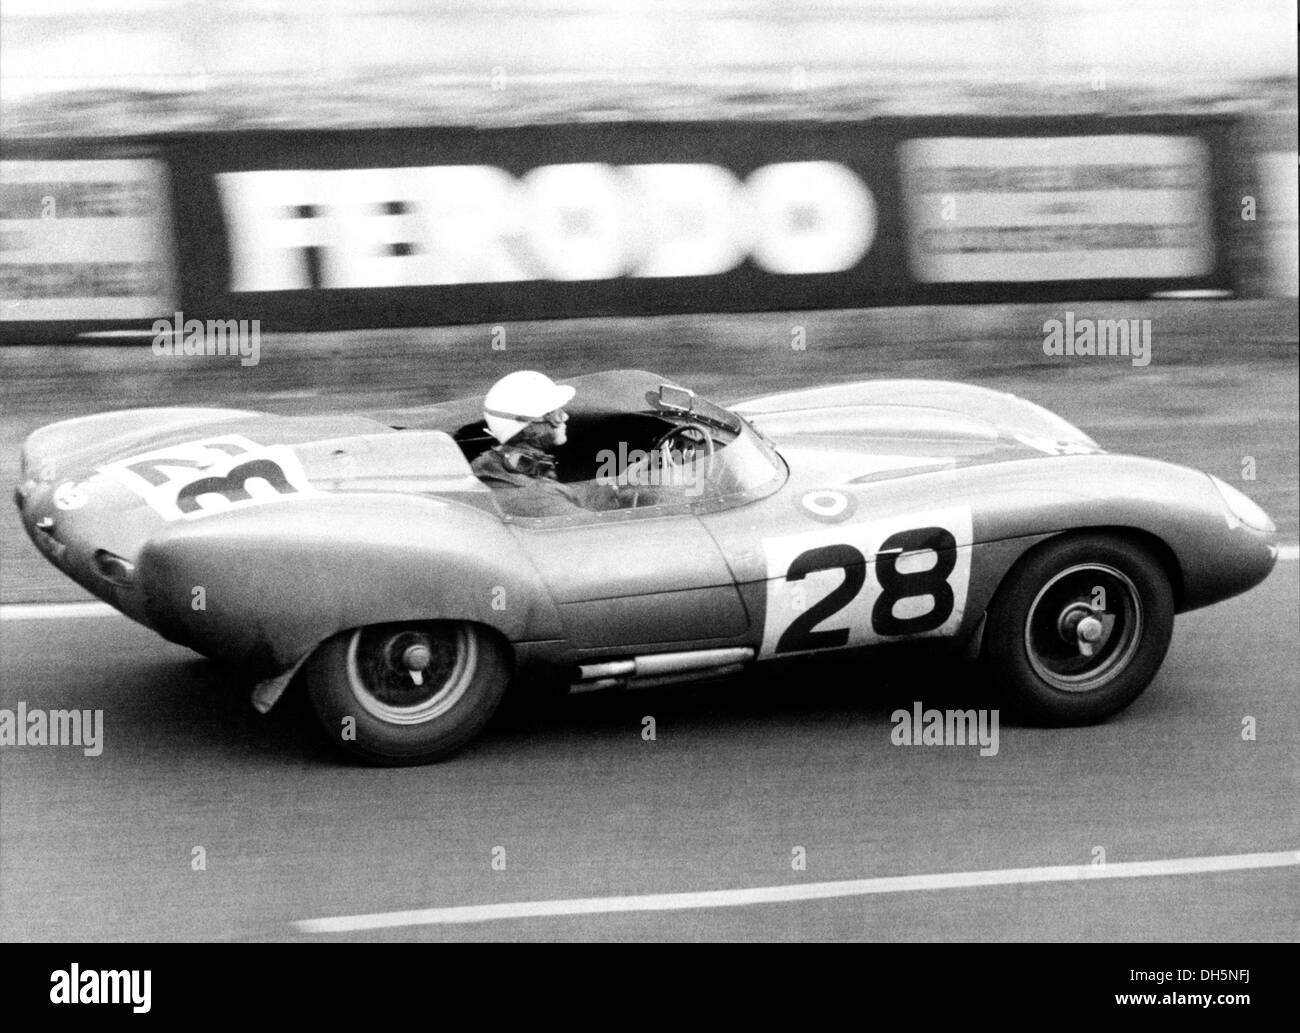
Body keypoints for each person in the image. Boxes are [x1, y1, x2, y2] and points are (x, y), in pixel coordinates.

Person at [472, 371, 626, 517]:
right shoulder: (538, 499)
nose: (564, 417)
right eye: (554, 414)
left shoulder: (489, 466)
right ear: (529, 429)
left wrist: (617, 484)